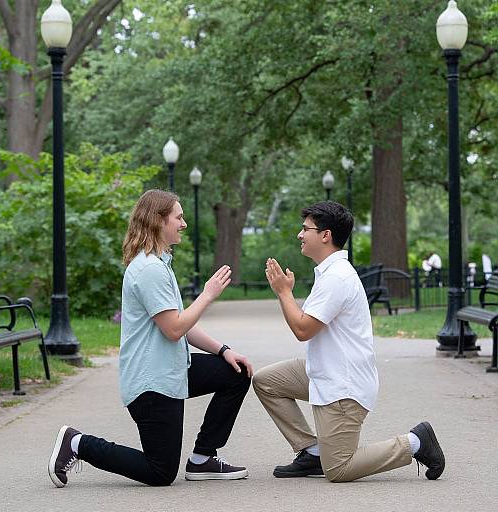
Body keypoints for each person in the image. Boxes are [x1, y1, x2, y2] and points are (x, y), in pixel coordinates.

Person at [48, 189, 253, 488]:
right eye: (178, 217)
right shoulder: (148, 270)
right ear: (159, 221)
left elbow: (181, 324)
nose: (183, 224)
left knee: (236, 373)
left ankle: (202, 458)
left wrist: (223, 351)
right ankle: (78, 443)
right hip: (152, 384)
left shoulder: (159, 264)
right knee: (160, 472)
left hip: (171, 370)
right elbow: (174, 329)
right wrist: (207, 295)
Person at [253, 201, 445, 482]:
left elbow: (303, 329)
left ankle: (415, 442)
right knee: (266, 381)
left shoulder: (337, 278)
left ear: (325, 235)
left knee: (339, 469)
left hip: (344, 386)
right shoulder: (329, 273)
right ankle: (312, 451)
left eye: (305, 229)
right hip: (324, 372)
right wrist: (286, 293)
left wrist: (283, 293)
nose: (300, 234)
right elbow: (306, 322)